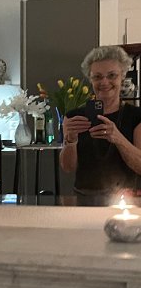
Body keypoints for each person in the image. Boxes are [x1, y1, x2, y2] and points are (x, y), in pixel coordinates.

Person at [60, 45, 141, 200]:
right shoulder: (73, 117)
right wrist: (70, 141)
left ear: (122, 76)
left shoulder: (136, 116)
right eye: (97, 77)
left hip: (126, 201)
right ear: (90, 79)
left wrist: (118, 138)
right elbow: (68, 168)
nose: (104, 82)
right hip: (84, 198)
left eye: (112, 75)